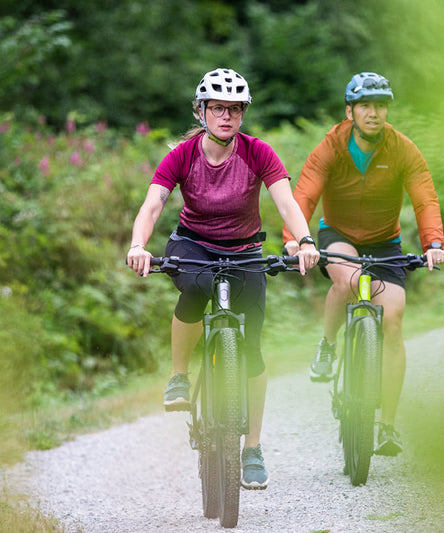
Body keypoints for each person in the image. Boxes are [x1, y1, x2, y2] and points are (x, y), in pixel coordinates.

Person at [127, 68, 319, 489]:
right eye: (217, 108)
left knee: (252, 350)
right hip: (193, 244)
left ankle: (252, 447)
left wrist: (303, 240)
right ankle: (180, 375)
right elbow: (153, 205)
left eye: (234, 109)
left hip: (245, 249)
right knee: (195, 289)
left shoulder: (258, 153)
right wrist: (139, 245)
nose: (226, 116)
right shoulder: (182, 156)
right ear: (201, 111)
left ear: (243, 114)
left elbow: (285, 201)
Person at [283, 72, 444, 457]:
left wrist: (433, 243)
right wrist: (295, 241)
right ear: (350, 111)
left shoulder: (403, 149)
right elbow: (304, 195)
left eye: (380, 105)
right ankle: (327, 345)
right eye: (366, 106)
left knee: (393, 319)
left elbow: (424, 199)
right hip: (337, 235)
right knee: (349, 281)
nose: (374, 113)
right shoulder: (331, 148)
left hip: (385, 243)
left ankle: (387, 425)